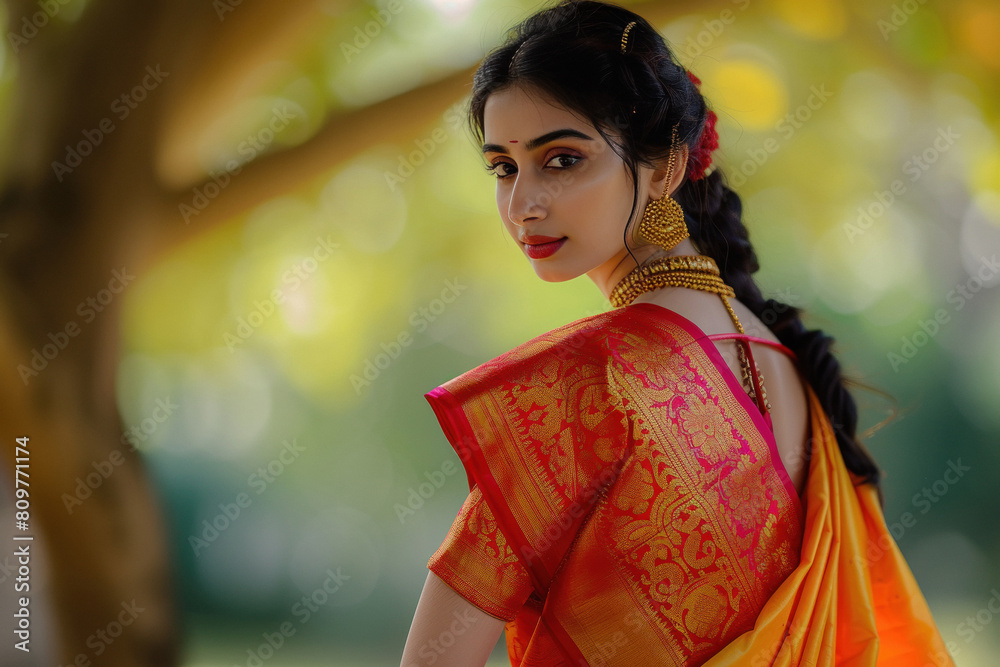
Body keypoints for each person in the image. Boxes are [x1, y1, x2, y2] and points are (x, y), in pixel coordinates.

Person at [400, 1, 955, 665]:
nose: (523, 204)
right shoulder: (784, 362)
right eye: (503, 167)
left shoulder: (586, 379)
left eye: (562, 159)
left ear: (664, 166)